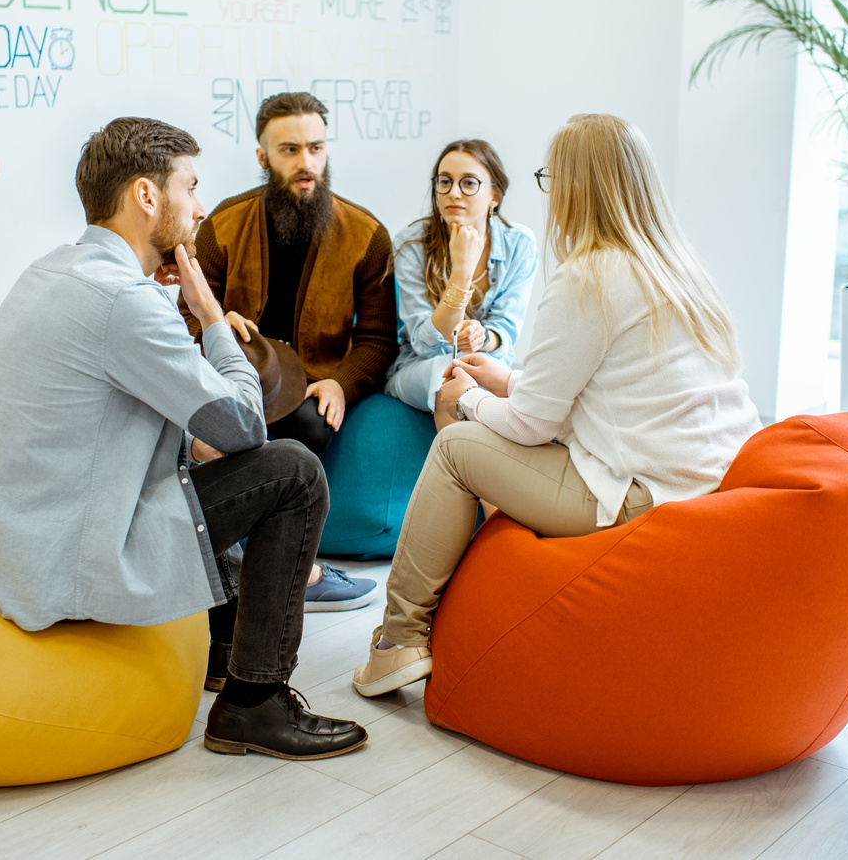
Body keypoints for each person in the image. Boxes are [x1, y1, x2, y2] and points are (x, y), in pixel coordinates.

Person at [0, 117, 367, 760]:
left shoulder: (53, 269)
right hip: (56, 560)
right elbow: (244, 426)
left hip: (9, 537)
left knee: (199, 465)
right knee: (292, 470)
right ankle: (255, 704)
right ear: (147, 197)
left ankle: (225, 651)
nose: (200, 208)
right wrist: (207, 315)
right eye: (190, 188)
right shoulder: (128, 301)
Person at [353, 114, 764, 696]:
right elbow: (607, 389)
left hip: (638, 493)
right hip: (707, 478)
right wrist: (509, 377)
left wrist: (467, 397)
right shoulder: (677, 266)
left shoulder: (589, 277)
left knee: (453, 447)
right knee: (478, 415)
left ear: (574, 186)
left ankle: (398, 640)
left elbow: (531, 424)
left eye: (551, 177)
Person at [183, 91, 396, 612]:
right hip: (231, 379)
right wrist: (214, 325)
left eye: (317, 148)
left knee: (309, 425)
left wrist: (341, 384)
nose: (307, 164)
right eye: (290, 150)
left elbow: (377, 339)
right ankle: (274, 569)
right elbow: (185, 317)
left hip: (312, 383)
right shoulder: (222, 225)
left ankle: (280, 567)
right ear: (263, 157)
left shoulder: (366, 235)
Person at [385, 139, 537, 414]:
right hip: (419, 367)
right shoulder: (411, 244)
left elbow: (506, 329)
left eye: (468, 183)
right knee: (450, 374)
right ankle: (457, 458)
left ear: (495, 196)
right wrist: (462, 272)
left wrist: (481, 337)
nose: (453, 192)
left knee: (488, 375)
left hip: (485, 360)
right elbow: (423, 343)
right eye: (445, 182)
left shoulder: (520, 244)